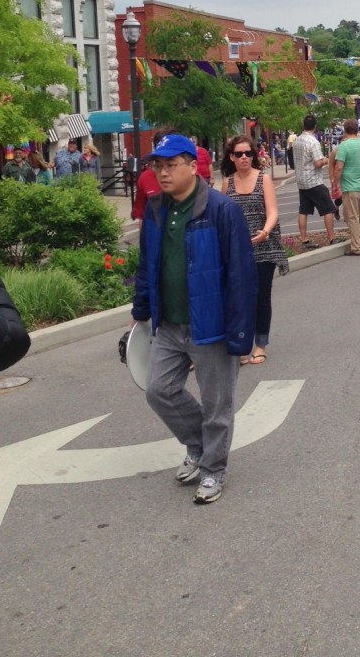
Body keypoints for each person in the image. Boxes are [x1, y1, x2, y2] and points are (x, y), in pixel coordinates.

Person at [132, 133, 257, 505]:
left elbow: (240, 275)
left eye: (171, 165)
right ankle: (200, 445)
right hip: (169, 323)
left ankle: (214, 468)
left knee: (218, 403)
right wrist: (140, 314)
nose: (163, 173)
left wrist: (240, 333)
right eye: (159, 166)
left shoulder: (220, 209)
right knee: (159, 390)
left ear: (192, 165)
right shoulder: (156, 209)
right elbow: (147, 266)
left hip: (212, 324)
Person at [220, 135, 288, 364]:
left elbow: (273, 212)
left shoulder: (263, 179)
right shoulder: (227, 183)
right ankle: (241, 344)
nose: (244, 158)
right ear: (232, 157)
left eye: (248, 153)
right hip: (237, 251)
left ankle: (260, 345)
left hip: (263, 247)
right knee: (239, 299)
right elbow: (222, 218)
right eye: (239, 154)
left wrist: (265, 232)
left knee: (260, 297)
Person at [291, 115, 337, 249]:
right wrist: (325, 160)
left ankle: (305, 240)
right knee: (328, 208)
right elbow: (317, 163)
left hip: (301, 179)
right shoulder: (313, 142)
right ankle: (332, 238)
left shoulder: (297, 140)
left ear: (303, 125)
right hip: (314, 180)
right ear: (315, 126)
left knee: (303, 210)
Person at [334, 119, 360, 256]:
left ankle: (356, 246)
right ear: (357, 129)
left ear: (345, 130)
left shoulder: (344, 146)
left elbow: (338, 167)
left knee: (353, 217)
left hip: (350, 186)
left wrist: (335, 184)